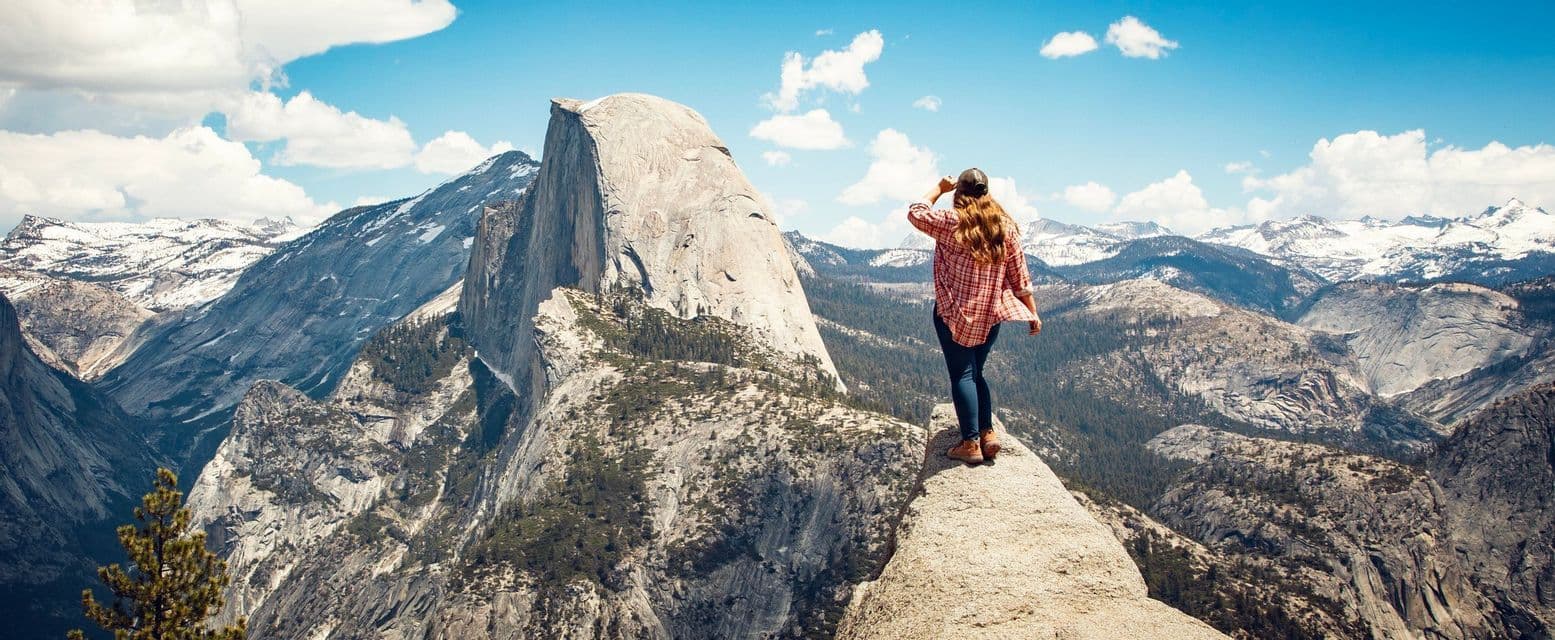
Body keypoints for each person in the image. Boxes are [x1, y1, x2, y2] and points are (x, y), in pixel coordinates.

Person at [908, 168, 1042, 465]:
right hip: (989, 315)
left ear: (960, 194)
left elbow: (916, 212)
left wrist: (938, 188)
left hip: (952, 312)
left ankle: (970, 444)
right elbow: (1020, 277)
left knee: (963, 374)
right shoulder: (1003, 228)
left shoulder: (950, 222)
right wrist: (1032, 313)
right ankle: (988, 434)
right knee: (976, 373)